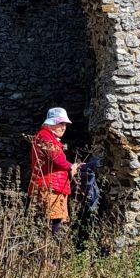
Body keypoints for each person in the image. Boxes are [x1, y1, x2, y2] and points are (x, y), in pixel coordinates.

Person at [29, 106, 81, 250]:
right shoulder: (45, 136)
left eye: (65, 124)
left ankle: (51, 258)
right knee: (52, 223)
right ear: (51, 123)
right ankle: (50, 258)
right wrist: (71, 166)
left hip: (55, 186)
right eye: (61, 123)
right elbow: (56, 159)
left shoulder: (48, 137)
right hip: (49, 187)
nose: (64, 127)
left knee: (55, 222)